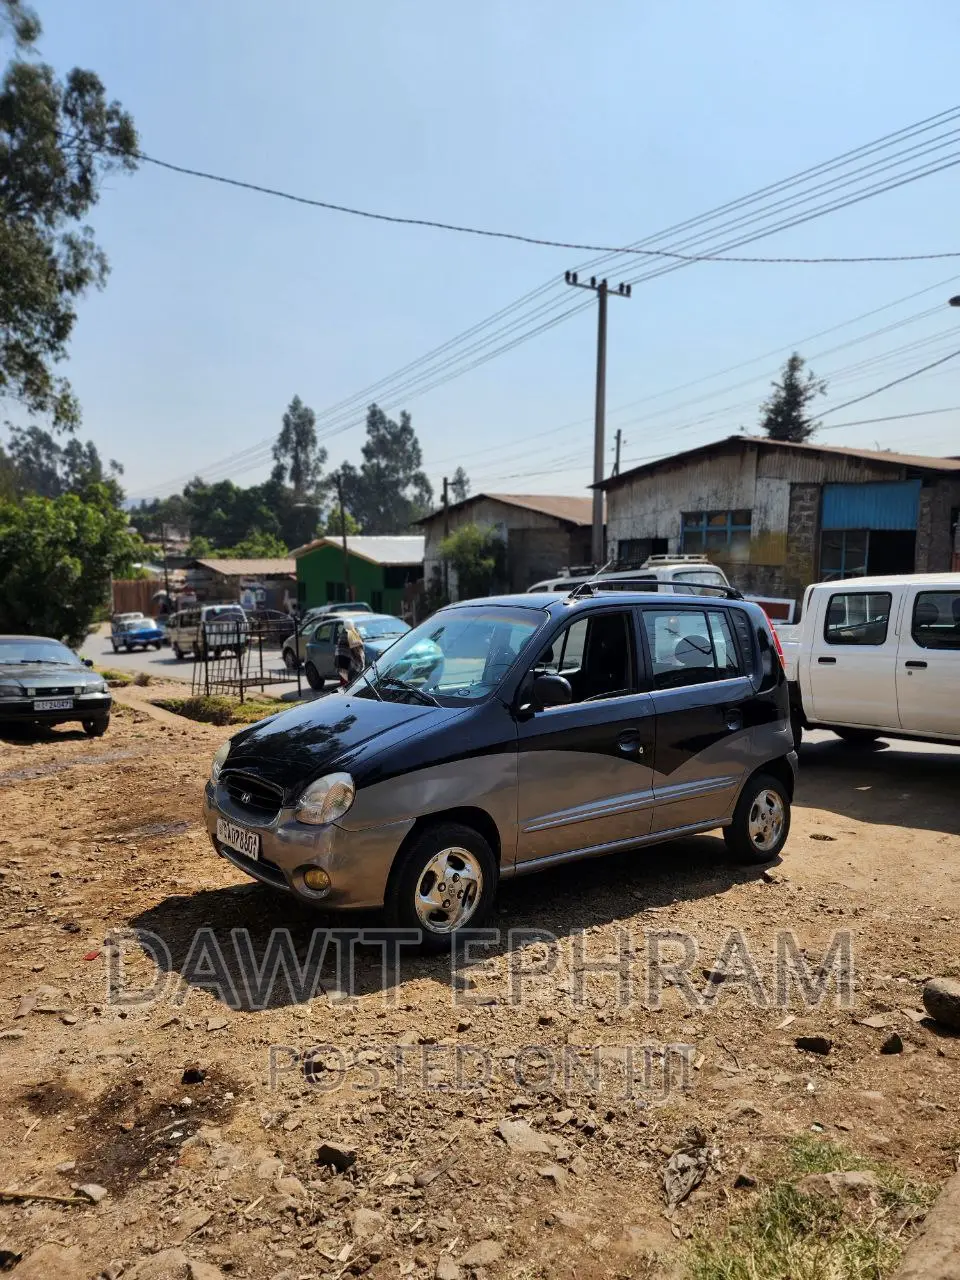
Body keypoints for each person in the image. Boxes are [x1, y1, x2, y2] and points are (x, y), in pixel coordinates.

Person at [335, 620, 365, 688]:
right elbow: (361, 648)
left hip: (344, 663)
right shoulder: (357, 634)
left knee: (346, 685)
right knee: (356, 682)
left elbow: (340, 651)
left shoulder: (343, 636)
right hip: (355, 662)